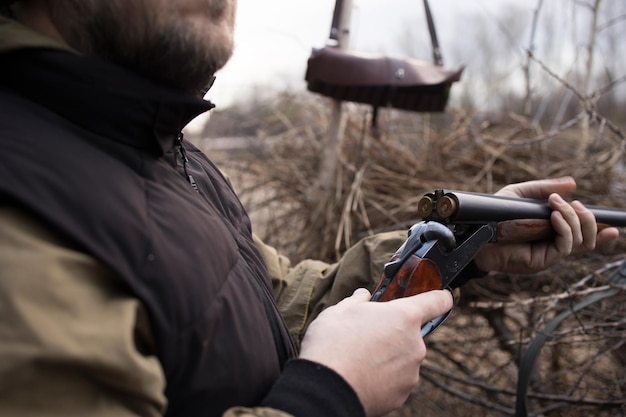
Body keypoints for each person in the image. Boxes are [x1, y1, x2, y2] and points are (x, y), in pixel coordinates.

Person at [0, 1, 619, 417]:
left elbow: (281, 303)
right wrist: (328, 395)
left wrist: (460, 247)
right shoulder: (23, 216)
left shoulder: (152, 145)